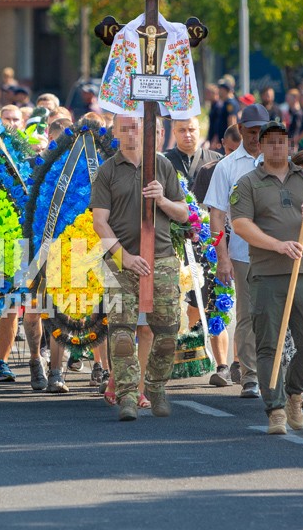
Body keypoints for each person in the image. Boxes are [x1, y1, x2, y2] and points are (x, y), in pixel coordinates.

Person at [229, 120, 303, 435]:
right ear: (261, 146)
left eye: (282, 141)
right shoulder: (248, 183)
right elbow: (241, 225)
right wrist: (277, 245)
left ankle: (294, 391)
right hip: (266, 273)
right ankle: (275, 409)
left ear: (290, 144)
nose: (277, 146)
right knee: (269, 346)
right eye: (270, 141)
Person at [90, 114, 189, 421]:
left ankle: (156, 387)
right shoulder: (107, 171)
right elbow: (99, 221)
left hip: (162, 260)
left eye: (137, 126)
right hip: (122, 265)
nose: (133, 132)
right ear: (116, 133)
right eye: (126, 128)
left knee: (168, 332)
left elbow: (183, 214)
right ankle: (127, 396)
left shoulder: (161, 166)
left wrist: (162, 200)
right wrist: (124, 257)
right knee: (121, 335)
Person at [204, 104, 269, 396]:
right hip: (243, 253)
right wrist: (223, 259)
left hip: (278, 251)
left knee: (276, 312)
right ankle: (250, 375)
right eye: (251, 131)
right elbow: (216, 215)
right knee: (247, 315)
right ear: (240, 130)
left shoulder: (279, 160)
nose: (256, 137)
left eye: (261, 131)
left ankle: (276, 369)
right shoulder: (227, 167)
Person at [165, 117, 221, 185]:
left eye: (191, 130)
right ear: (174, 132)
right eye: (182, 130)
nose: (187, 135)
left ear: (199, 130)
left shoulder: (216, 159)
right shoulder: (164, 161)